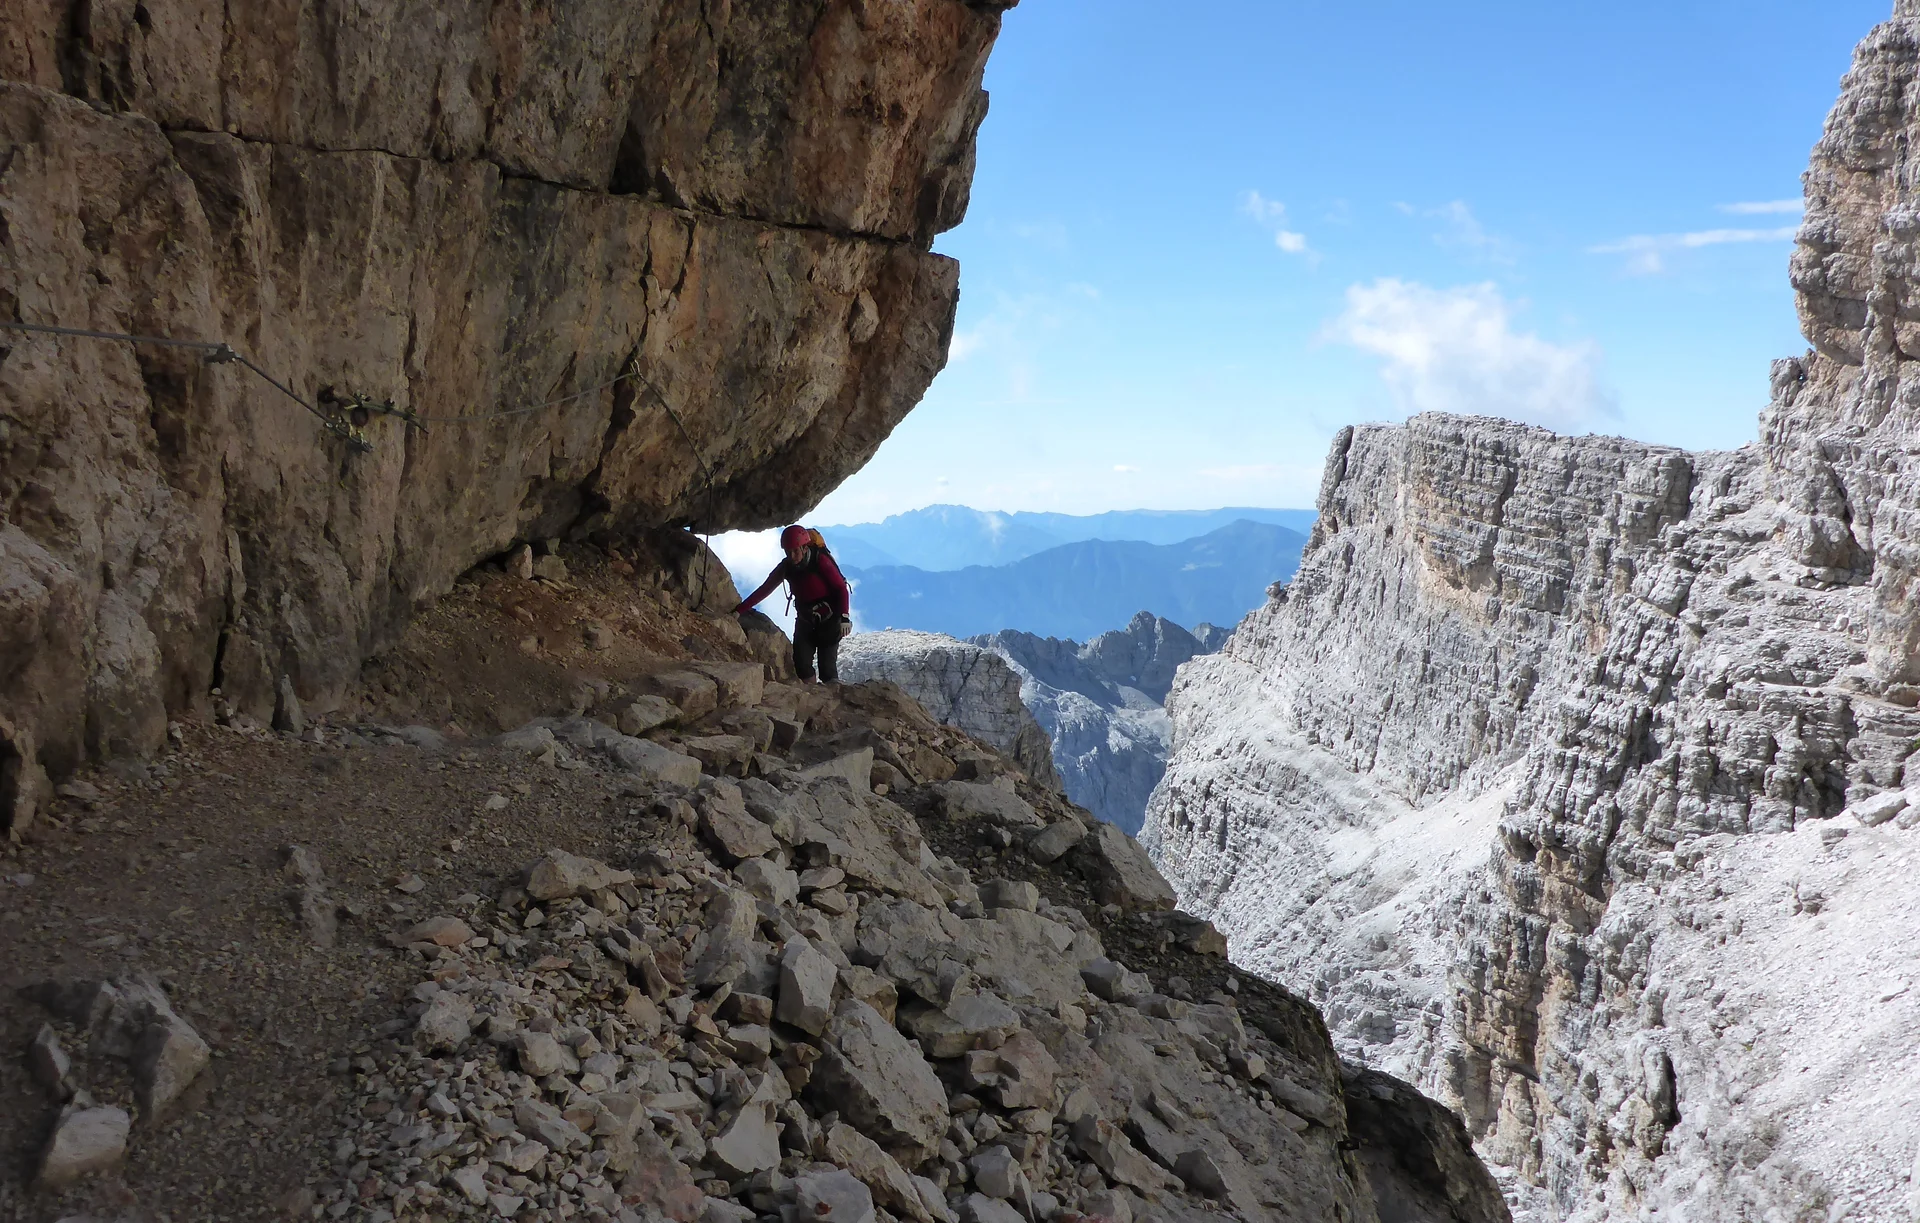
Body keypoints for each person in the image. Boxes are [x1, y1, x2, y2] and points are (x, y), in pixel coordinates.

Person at [734, 525, 852, 683]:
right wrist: (739, 610)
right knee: (802, 665)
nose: (792, 555)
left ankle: (828, 699)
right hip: (805, 620)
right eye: (788, 552)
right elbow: (765, 589)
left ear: (804, 548)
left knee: (827, 671)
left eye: (795, 550)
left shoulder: (820, 561)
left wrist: (844, 616)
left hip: (830, 620)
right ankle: (812, 698)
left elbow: (840, 588)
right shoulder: (786, 567)